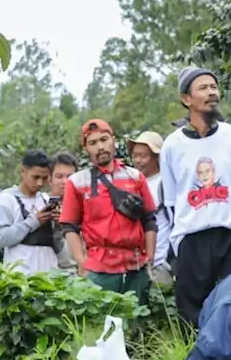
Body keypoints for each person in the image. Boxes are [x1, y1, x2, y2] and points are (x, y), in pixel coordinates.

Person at [160, 67, 231, 326]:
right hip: (192, 238)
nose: (212, 92)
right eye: (203, 88)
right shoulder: (172, 145)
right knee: (191, 314)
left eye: (214, 86)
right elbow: (170, 202)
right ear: (186, 99)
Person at [60, 119, 158, 302]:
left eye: (104, 139)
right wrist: (83, 263)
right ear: (86, 149)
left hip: (136, 266)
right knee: (102, 327)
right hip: (99, 269)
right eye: (93, 143)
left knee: (136, 326)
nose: (100, 147)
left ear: (113, 140)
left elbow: (149, 219)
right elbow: (69, 227)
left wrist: (150, 256)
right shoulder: (77, 182)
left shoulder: (135, 177)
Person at [0, 150, 57, 274]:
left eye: (44, 178)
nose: (40, 183)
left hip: (49, 274)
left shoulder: (45, 200)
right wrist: (32, 222)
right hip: (19, 275)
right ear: (23, 171)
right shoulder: (6, 199)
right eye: (35, 177)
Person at [129, 131, 173, 285]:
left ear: (156, 157)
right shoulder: (130, 182)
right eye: (135, 156)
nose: (138, 160)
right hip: (135, 263)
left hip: (161, 262)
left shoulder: (165, 183)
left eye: (143, 156)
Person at [50, 152, 79, 271]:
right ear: (49, 179)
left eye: (69, 176)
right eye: (59, 176)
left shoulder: (85, 206)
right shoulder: (38, 205)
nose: (65, 181)